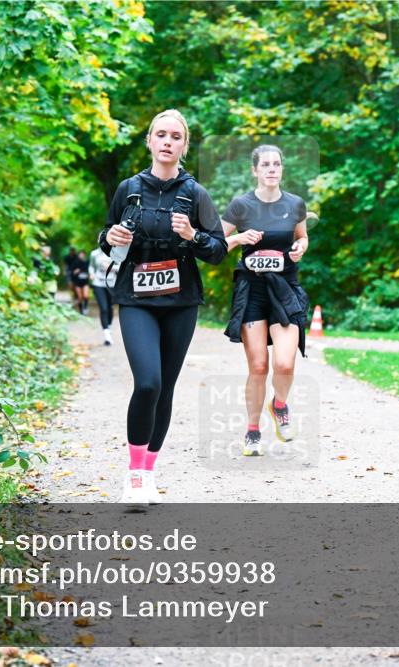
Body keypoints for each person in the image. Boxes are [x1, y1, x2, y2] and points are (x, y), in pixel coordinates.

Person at [98, 109, 227, 506]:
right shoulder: (128, 189)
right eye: (161, 135)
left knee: (166, 387)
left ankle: (148, 472)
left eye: (176, 136)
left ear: (184, 146)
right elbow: (106, 238)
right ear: (150, 142)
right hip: (136, 298)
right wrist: (110, 235)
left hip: (181, 301)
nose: (168, 141)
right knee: (148, 382)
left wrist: (192, 235)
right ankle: (134, 475)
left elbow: (219, 250)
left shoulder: (196, 194)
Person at [221, 144, 310, 457]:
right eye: (266, 165)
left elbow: (302, 236)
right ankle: (252, 430)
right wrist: (239, 238)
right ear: (255, 170)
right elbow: (217, 242)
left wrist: (301, 247)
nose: (272, 169)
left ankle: (280, 405)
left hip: (285, 287)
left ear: (282, 169)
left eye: (277, 165)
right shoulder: (241, 206)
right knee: (259, 367)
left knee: (284, 363)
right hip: (252, 289)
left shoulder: (295, 204)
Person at [88, 246, 117, 345]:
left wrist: (110, 267)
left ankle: (108, 325)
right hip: (98, 283)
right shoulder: (94, 254)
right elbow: (91, 266)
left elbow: (121, 267)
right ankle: (107, 335)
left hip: (111, 284)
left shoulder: (116, 253)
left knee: (110, 307)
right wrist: (91, 273)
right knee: (103, 308)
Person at [71, 250, 90, 315]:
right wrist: (75, 272)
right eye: (80, 254)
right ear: (78, 255)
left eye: (83, 254)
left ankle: (85, 307)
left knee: (86, 295)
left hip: (85, 282)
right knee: (80, 297)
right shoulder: (75, 262)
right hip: (77, 282)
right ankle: (81, 310)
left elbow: (89, 270)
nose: (81, 255)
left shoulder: (87, 262)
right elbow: (72, 273)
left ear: (84, 255)